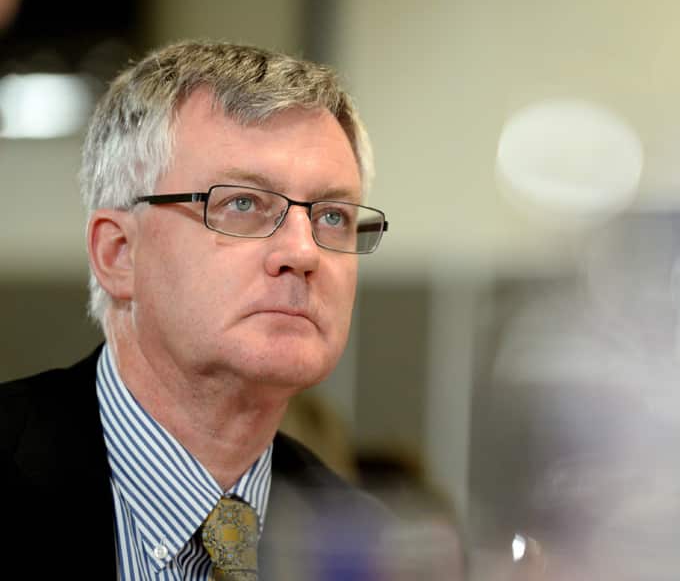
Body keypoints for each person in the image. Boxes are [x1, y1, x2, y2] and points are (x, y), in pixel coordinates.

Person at [0, 40, 391, 579]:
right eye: (243, 204)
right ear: (119, 254)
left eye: (331, 217)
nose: (303, 253)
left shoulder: (369, 547)